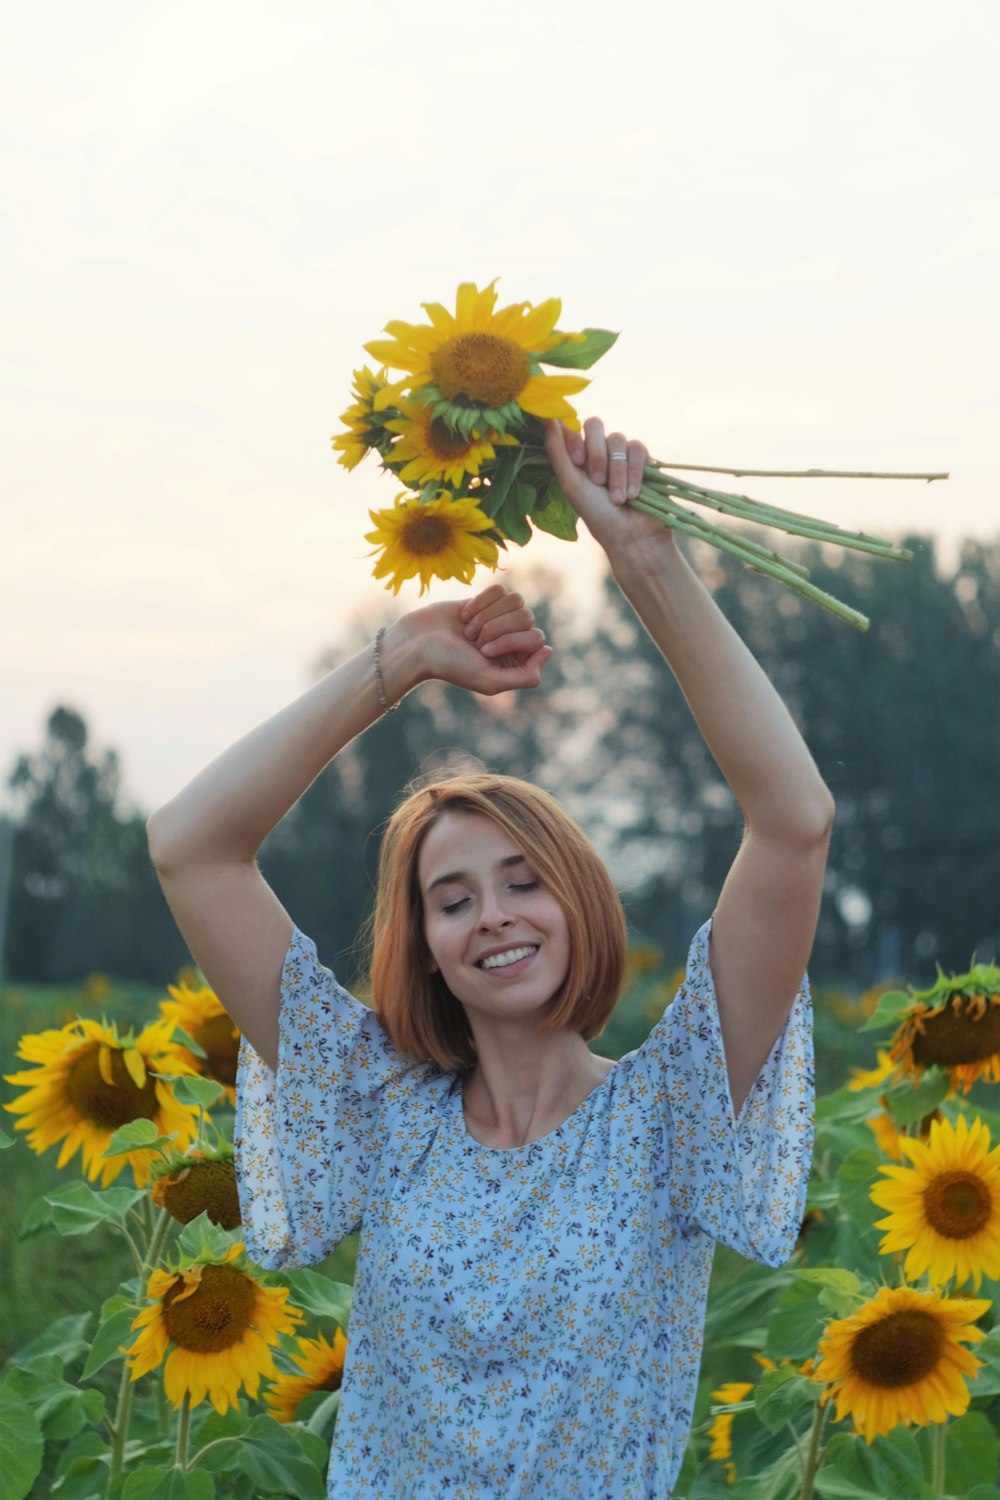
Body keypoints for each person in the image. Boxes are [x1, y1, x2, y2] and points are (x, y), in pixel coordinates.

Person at [147, 416, 834, 1499]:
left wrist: (644, 559)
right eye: (452, 899)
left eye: (524, 881)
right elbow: (190, 847)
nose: (496, 917)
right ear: (424, 947)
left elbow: (792, 820)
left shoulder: (674, 1110)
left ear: (579, 902)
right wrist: (404, 657)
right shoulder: (377, 1104)